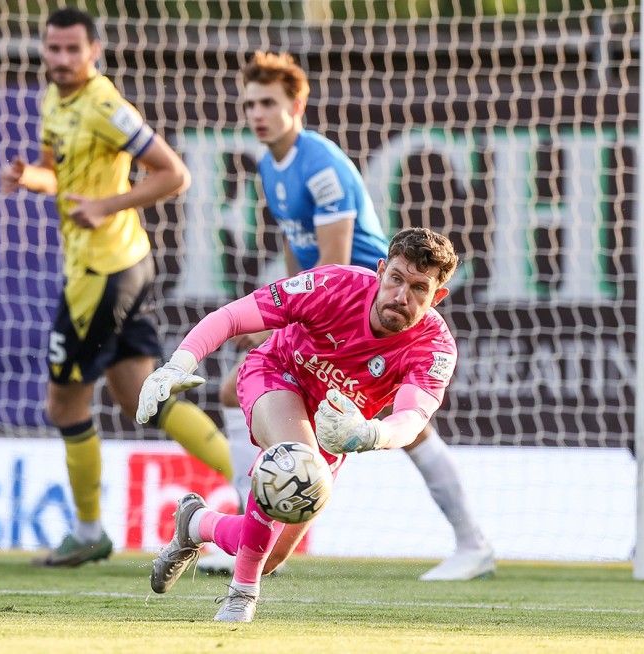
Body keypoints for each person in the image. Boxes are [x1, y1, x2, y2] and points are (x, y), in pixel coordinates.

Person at [197, 51, 493, 582]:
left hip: (367, 312)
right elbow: (298, 256)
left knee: (409, 429)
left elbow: (332, 265)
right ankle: (257, 520)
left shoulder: (323, 165)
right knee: (233, 394)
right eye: (250, 105)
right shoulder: (271, 163)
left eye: (269, 103)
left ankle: (473, 542)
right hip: (328, 312)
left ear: (297, 105)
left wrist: (284, 324)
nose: (257, 114)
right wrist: (281, 307)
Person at [0, 7, 232, 567]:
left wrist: (107, 205)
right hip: (117, 265)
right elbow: (57, 173)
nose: (60, 60)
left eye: (71, 50)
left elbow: (174, 173)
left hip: (103, 274)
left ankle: (87, 531)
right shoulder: (54, 100)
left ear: (94, 51)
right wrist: (29, 177)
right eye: (52, 49)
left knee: (63, 404)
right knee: (138, 395)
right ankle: (256, 486)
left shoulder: (106, 105)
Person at [138, 228, 466, 622]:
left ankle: (195, 523)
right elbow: (232, 317)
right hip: (275, 375)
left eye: (419, 288)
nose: (401, 296)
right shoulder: (333, 284)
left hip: (331, 430)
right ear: (381, 271)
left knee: (270, 554)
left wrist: (371, 434)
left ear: (437, 297)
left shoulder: (436, 347)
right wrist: (180, 363)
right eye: (396, 278)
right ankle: (242, 594)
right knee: (294, 462)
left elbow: (412, 419)